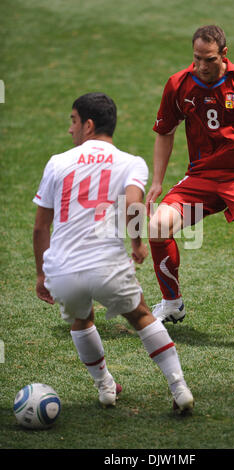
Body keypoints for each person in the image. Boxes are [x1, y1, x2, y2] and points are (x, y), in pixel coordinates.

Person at [33, 92, 194, 412]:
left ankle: (105, 387)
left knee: (81, 320)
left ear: (88, 125)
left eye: (73, 121)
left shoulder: (57, 162)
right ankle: (179, 387)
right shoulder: (131, 162)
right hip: (106, 264)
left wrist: (41, 274)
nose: (71, 129)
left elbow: (40, 228)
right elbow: (134, 204)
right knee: (141, 315)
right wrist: (136, 244)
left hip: (62, 269)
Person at [145, 25, 234, 350]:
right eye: (196, 58)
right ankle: (172, 303)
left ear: (224, 55)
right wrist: (157, 180)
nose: (201, 66)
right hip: (202, 176)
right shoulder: (179, 84)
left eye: (208, 59)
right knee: (156, 226)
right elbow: (165, 131)